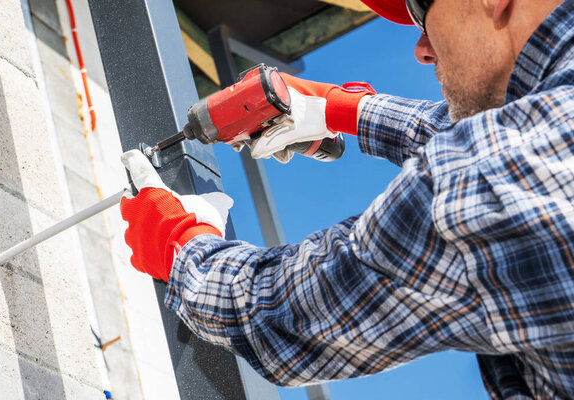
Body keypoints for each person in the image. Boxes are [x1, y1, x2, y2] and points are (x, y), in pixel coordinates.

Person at [120, 0, 574, 398]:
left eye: (420, 12)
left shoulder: (498, 183)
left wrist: (181, 243)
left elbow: (283, 312)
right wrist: (341, 109)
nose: (423, 49)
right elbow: (502, 135)